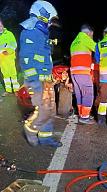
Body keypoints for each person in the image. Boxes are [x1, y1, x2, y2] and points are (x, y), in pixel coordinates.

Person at [19, 0, 62, 147]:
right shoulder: (30, 31)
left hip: (45, 79)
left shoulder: (40, 33)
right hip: (36, 79)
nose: (50, 24)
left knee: (50, 108)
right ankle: (30, 129)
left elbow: (43, 58)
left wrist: (49, 78)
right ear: (43, 15)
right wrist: (34, 80)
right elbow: (26, 59)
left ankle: (45, 138)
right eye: (50, 20)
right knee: (43, 110)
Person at [70, 24, 96, 124]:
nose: (91, 37)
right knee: (88, 94)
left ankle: (82, 114)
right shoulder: (85, 38)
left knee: (80, 94)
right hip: (83, 72)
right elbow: (98, 49)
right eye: (92, 35)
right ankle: (85, 117)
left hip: (74, 72)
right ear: (89, 33)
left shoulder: (74, 42)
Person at [0, 18, 20, 97]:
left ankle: (16, 90)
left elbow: (14, 45)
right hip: (1, 60)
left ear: (2, 25)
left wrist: (8, 51)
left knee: (13, 74)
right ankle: (8, 90)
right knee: (5, 76)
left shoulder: (9, 34)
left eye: (0, 25)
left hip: (9, 58)